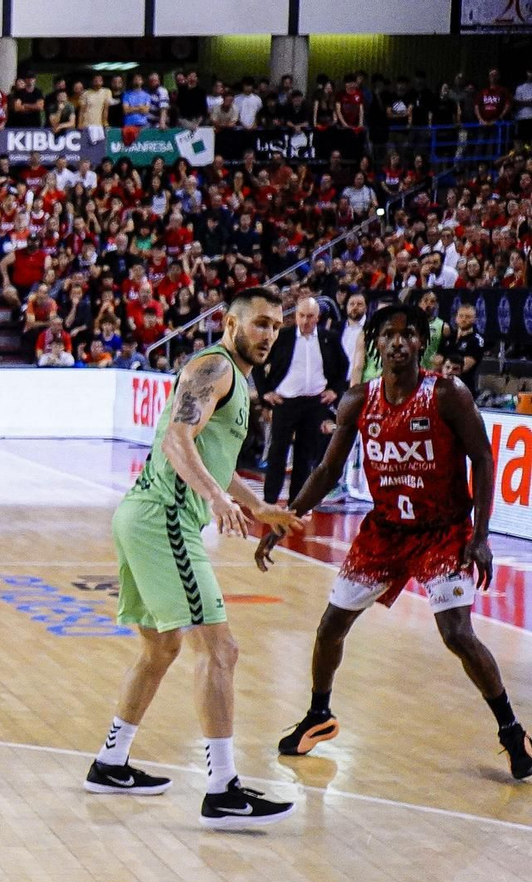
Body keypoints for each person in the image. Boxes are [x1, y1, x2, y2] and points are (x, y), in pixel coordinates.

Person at [256, 303, 532, 780]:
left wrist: (480, 535)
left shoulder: (448, 394)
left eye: (408, 335)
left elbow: (484, 460)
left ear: (422, 343)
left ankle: (512, 731)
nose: (398, 342)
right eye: (389, 335)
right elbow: (326, 470)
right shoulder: (358, 399)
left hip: (441, 532)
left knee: (458, 634)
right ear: (377, 344)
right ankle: (320, 714)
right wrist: (286, 517)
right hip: (384, 531)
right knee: (329, 627)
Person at [84, 286, 305, 827]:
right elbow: (177, 440)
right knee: (221, 649)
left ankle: (111, 761)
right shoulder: (214, 368)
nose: (269, 334)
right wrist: (215, 498)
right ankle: (223, 789)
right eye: (259, 323)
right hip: (163, 518)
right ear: (231, 325)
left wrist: (257, 507)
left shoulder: (236, 381)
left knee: (162, 650)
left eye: (276, 325)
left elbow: (213, 457)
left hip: (143, 516)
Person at [254, 295, 348, 505]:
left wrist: (335, 389)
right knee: (277, 453)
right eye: (301, 316)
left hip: (314, 403)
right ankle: (269, 501)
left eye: (310, 316)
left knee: (305, 455)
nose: (305, 321)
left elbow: (343, 366)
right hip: (285, 402)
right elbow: (258, 362)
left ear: (318, 317)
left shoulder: (329, 338)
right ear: (295, 316)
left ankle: (297, 504)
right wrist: (265, 392)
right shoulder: (282, 337)